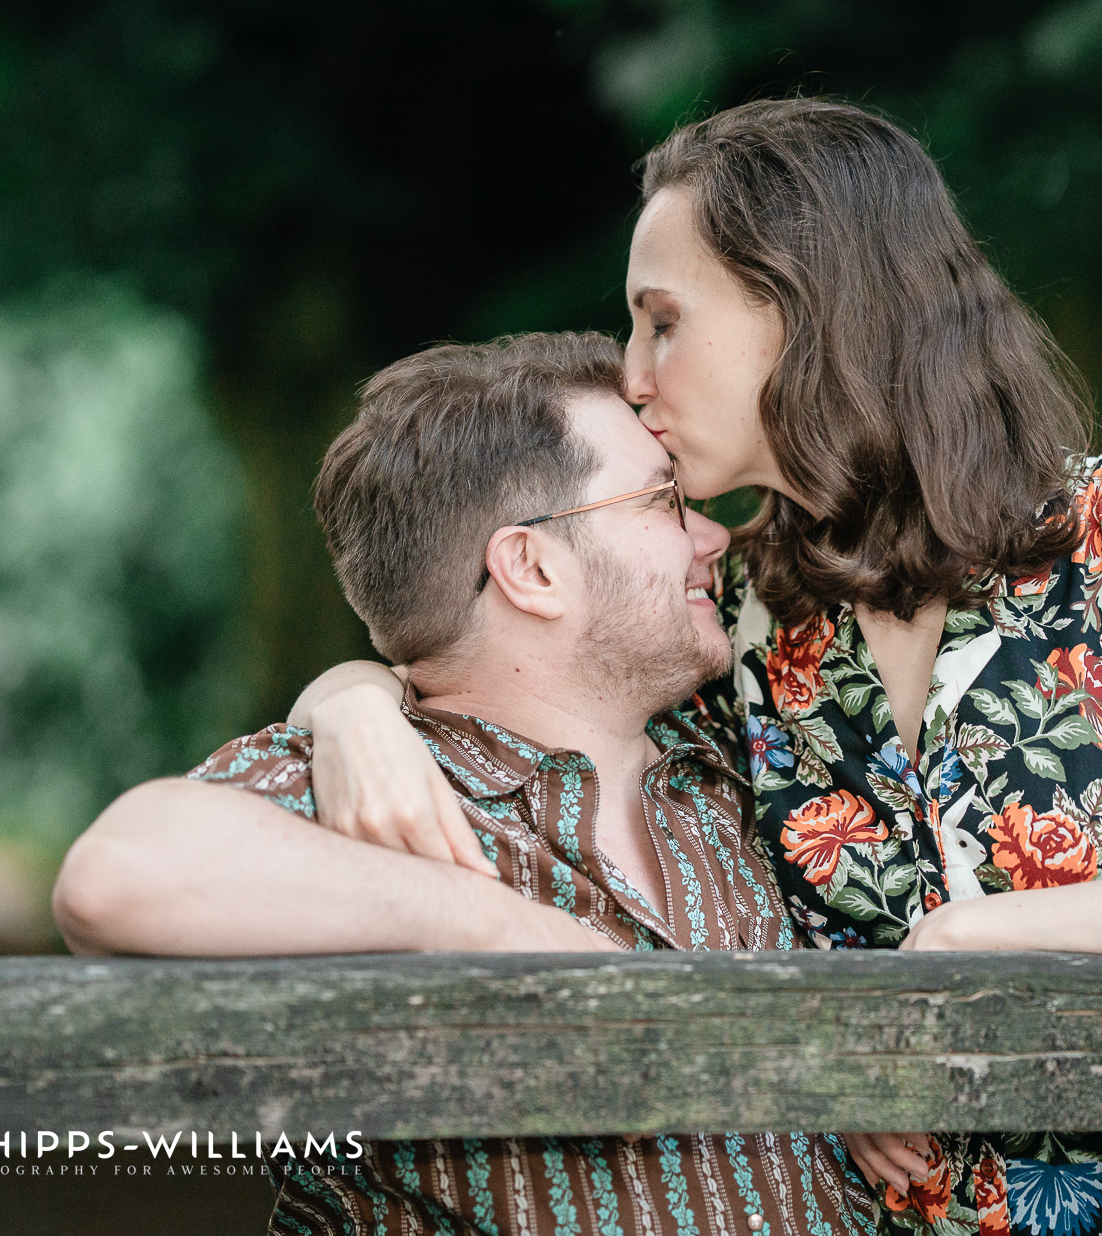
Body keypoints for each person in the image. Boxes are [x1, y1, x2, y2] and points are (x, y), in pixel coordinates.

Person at [290, 99, 1102, 1235]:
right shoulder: (730, 616)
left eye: (662, 323)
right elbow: (496, 672)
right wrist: (351, 704)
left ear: (801, 311)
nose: (632, 375)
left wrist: (966, 937)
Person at [52, 331, 880, 1235]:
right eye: (665, 500)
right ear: (531, 567)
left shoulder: (739, 753)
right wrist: (489, 923)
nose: (713, 535)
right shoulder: (383, 794)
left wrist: (348, 693)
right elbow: (115, 873)